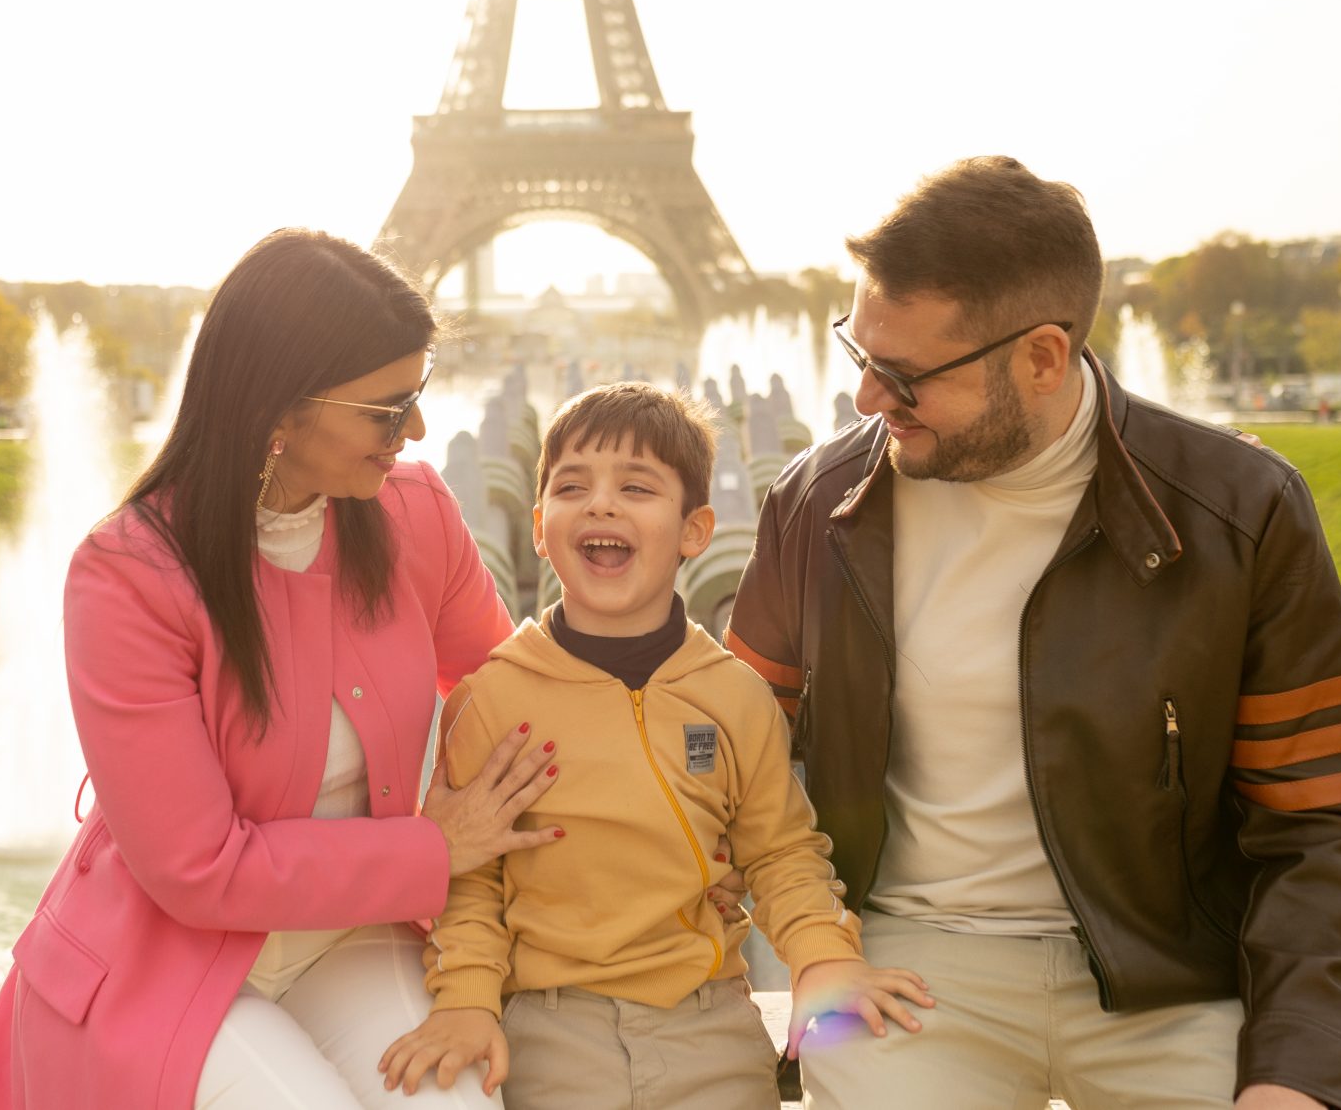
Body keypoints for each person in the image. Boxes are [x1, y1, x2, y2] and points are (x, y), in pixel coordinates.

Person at [725, 157, 1341, 1110]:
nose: (866, 400)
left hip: (1172, 980)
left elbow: (1317, 829)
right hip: (895, 969)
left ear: (1043, 355)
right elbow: (732, 759)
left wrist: (1299, 1068)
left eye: (903, 375)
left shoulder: (1246, 512)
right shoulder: (815, 502)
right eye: (858, 354)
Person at [0, 230, 564, 1110]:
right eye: (387, 409)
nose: (418, 429)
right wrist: (436, 845)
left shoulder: (416, 512)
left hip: (351, 935)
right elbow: (198, 867)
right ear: (279, 411)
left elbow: (519, 703)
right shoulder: (127, 575)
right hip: (166, 958)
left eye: (417, 395)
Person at [379, 383, 931, 1109]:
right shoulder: (495, 697)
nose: (602, 504)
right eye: (574, 487)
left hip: (707, 1019)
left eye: (636, 487)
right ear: (541, 527)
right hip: (551, 1021)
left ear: (695, 531)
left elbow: (781, 850)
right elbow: (471, 881)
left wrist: (822, 958)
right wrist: (468, 999)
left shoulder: (733, 694)